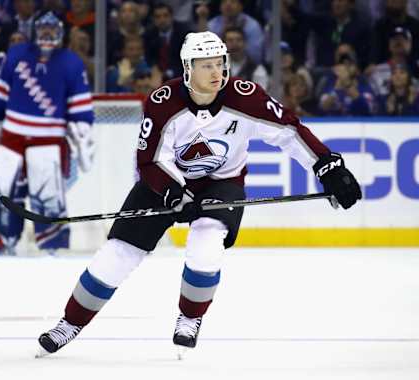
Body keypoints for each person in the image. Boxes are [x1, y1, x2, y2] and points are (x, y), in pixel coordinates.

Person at [36, 31, 362, 358]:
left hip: (222, 183)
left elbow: (291, 132)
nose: (216, 72)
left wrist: (328, 167)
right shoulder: (163, 103)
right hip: (163, 182)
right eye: (206, 65)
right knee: (116, 255)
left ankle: (190, 318)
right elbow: (150, 160)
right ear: (187, 69)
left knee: (206, 248)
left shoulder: (247, 98)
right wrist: (174, 193)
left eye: (220, 64)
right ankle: (70, 323)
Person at [0, 11, 94, 256]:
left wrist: (82, 131)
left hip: (48, 139)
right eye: (43, 29)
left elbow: (80, 108)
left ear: (60, 32)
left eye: (52, 29)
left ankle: (51, 245)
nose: (47, 34)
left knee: (48, 196)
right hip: (12, 137)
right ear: (34, 31)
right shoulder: (16, 55)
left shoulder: (71, 62)